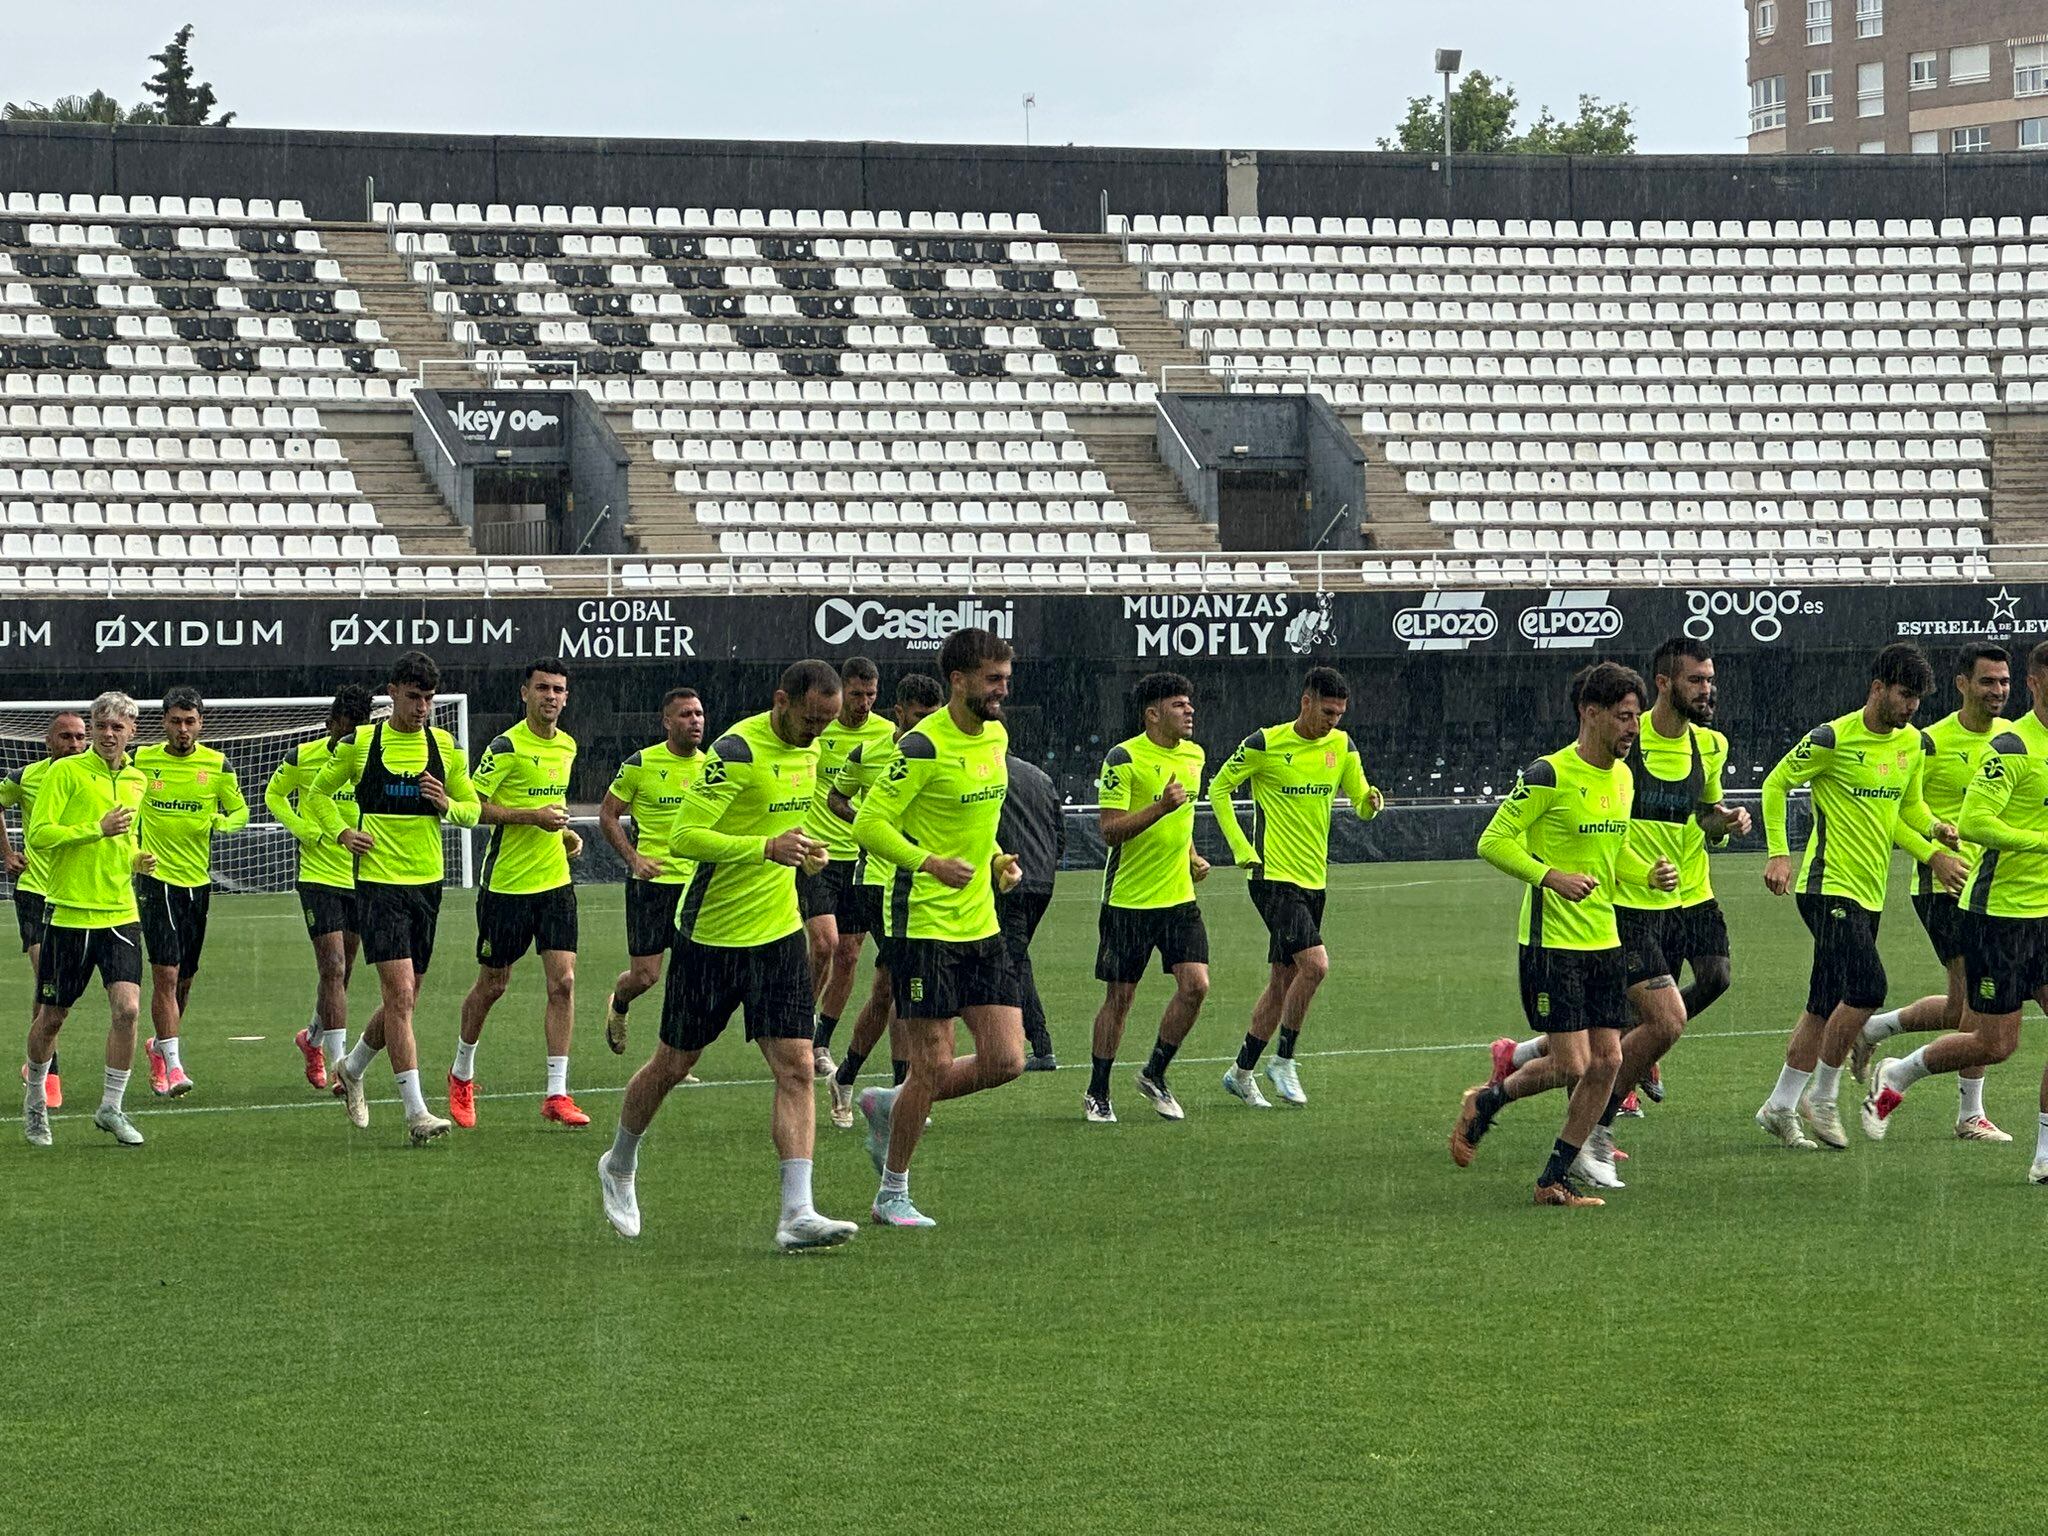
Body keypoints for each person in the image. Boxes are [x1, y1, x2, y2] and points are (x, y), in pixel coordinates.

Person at [596, 660, 858, 1251]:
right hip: (709, 937)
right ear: (782, 700)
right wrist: (765, 847)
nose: (817, 732)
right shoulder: (737, 749)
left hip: (777, 934)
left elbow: (786, 819)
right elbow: (686, 837)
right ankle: (618, 1162)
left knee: (795, 1067)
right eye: (811, 719)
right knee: (671, 1066)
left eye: (827, 723)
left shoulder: (812, 751)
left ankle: (797, 1213)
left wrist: (804, 850)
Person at [1490, 639, 1749, 1121]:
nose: (1707, 690)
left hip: (1688, 892)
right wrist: (1556, 875)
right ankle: (1592, 1120)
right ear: (1664, 684)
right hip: (1625, 901)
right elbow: (1585, 819)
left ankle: (1555, 1070)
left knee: (1712, 980)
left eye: (1710, 680)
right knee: (1635, 1025)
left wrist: (1726, 824)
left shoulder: (1712, 745)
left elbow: (1704, 814)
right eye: (1696, 680)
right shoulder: (1626, 741)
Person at [1450, 662, 1678, 1207]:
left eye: (1636, 719)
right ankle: (1489, 1099)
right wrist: (1550, 876)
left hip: (1604, 940)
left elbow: (1611, 849)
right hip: (1551, 943)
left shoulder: (1623, 777)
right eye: (1623, 717)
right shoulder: (1549, 774)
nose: (1632, 729)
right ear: (1589, 713)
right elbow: (1493, 840)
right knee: (1573, 1064)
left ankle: (1551, 1179)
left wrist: (1644, 871)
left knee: (1609, 1063)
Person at [1753, 642, 1964, 1151]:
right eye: (1904, 695)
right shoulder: (1832, 738)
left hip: (1869, 894)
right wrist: (1779, 852)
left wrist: (1934, 831)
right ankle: (1822, 1097)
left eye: (1918, 699)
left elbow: (1905, 810)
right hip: (1827, 886)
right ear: (1877, 688)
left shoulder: (1911, 744)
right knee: (1868, 988)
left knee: (1823, 1003)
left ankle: (1779, 1107)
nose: (1912, 707)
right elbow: (1776, 784)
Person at [850, 626, 1026, 1229]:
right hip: (921, 924)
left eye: (1006, 678)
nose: (1003, 690)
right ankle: (891, 1193)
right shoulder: (922, 747)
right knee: (931, 1063)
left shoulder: (997, 735)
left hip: (981, 923)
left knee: (1007, 1061)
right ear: (959, 680)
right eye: (993, 679)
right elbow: (869, 825)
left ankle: (888, 1105)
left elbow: (974, 819)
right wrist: (928, 862)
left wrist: (998, 856)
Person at [1861, 640, 2048, 1160]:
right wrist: (1932, 853)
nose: (1998, 690)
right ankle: (1914, 1078)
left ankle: (2040, 1154)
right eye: (1988, 681)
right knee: (1986, 1033)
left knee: (1966, 1013)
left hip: (2037, 908)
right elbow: (1951, 819)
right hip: (1984, 904)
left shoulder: (2013, 739)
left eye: (2002, 681)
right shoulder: (1979, 745)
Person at [307, 650, 481, 1145]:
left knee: (406, 999)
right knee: (400, 996)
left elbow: (471, 810)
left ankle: (354, 1066)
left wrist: (447, 803)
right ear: (392, 693)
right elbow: (318, 796)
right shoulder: (362, 743)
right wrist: (341, 833)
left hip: (427, 885)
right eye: (412, 697)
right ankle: (416, 1113)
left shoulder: (445, 747)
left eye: (428, 698)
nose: (422, 707)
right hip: (379, 886)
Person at [1206, 666, 1382, 1109]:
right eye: (1327, 711)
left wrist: (1370, 802)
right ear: (1306, 702)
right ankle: (1283, 1059)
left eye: (1340, 714)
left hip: (1313, 880)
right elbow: (1219, 789)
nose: (1333, 721)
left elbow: (1360, 801)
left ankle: (1240, 1072)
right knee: (1316, 966)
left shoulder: (1342, 745)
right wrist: (1242, 847)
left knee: (1282, 982)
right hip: (1271, 878)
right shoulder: (1265, 743)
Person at [449, 659, 588, 1129]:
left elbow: (555, 806)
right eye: (543, 688)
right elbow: (474, 808)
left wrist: (564, 835)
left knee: (563, 983)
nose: (551, 696)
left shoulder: (567, 746)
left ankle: (556, 1093)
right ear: (524, 692)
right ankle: (462, 1073)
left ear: (567, 697)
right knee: (494, 985)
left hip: (555, 884)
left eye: (559, 689)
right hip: (506, 886)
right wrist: (532, 818)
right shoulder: (506, 745)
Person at [21, 691, 153, 1149]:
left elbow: (125, 839)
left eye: (119, 727)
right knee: (53, 1016)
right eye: (103, 727)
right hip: (70, 913)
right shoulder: (67, 772)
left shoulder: (137, 778)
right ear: (93, 731)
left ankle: (111, 1107)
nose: (110, 735)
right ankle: (36, 1098)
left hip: (120, 912)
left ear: (132, 731)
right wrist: (93, 829)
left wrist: (137, 858)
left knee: (129, 1009)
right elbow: (39, 835)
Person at [1086, 671, 1210, 1123]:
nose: (1189, 710)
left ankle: (1155, 1073)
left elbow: (1186, 819)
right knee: (1120, 999)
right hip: (1129, 901)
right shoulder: (1123, 758)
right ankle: (1098, 1090)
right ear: (1153, 714)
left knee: (1196, 986)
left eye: (1189, 703)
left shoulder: (1195, 756)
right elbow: (1108, 831)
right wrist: (1160, 806)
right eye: (1179, 705)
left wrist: (1194, 855)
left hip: (1178, 898)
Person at [825, 674, 944, 1129]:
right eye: (919, 717)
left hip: (921, 882)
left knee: (891, 990)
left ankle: (854, 1077)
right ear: (899, 713)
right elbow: (838, 796)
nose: (926, 725)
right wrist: (867, 823)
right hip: (878, 882)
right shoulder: (871, 752)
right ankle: (898, 1088)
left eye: (933, 717)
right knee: (898, 987)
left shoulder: (940, 751)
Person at [133, 685, 250, 1098]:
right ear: (163, 722)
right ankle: (175, 1066)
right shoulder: (142, 760)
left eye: (190, 721)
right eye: (175, 721)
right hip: (154, 878)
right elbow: (125, 805)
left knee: (185, 978)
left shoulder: (217, 764)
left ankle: (159, 1047)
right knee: (164, 972)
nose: (183, 729)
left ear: (201, 723)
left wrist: (222, 823)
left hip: (196, 883)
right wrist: (132, 851)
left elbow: (240, 811)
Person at [265, 684, 375, 1093]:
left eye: (355, 732)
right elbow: (274, 794)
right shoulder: (303, 757)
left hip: (363, 877)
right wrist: (303, 829)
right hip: (318, 876)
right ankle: (340, 1068)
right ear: (330, 724)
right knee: (332, 967)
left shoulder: (369, 756)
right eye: (343, 731)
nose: (347, 739)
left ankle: (311, 1039)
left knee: (342, 974)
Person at [598, 686, 707, 1057]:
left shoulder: (711, 768)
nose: (694, 721)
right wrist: (633, 859)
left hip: (694, 887)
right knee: (645, 976)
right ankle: (620, 1002)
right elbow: (608, 814)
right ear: (666, 722)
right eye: (685, 714)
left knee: (688, 978)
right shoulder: (640, 764)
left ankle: (674, 1055)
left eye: (698, 714)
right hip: (650, 885)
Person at [802, 657, 892, 1079]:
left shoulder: (886, 737)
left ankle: (820, 1041)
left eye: (871, 695)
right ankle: (797, 1025)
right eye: (856, 694)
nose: (863, 703)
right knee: (824, 945)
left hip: (860, 858)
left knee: (850, 953)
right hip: (817, 855)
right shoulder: (821, 728)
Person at [4, 709, 88, 1109]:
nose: (74, 744)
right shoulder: (26, 778)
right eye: (65, 737)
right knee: (46, 976)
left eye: (79, 737)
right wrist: (6, 853)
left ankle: (35, 1062)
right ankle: (49, 1072)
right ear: (48, 742)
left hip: (73, 894)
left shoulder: (96, 775)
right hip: (35, 890)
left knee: (54, 990)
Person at [997, 748, 1063, 1071]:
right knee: (1015, 957)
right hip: (1042, 882)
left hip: (1009, 877)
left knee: (1011, 960)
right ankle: (1030, 1040)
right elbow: (1059, 833)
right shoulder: (1040, 776)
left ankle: (1038, 1044)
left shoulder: (988, 775)